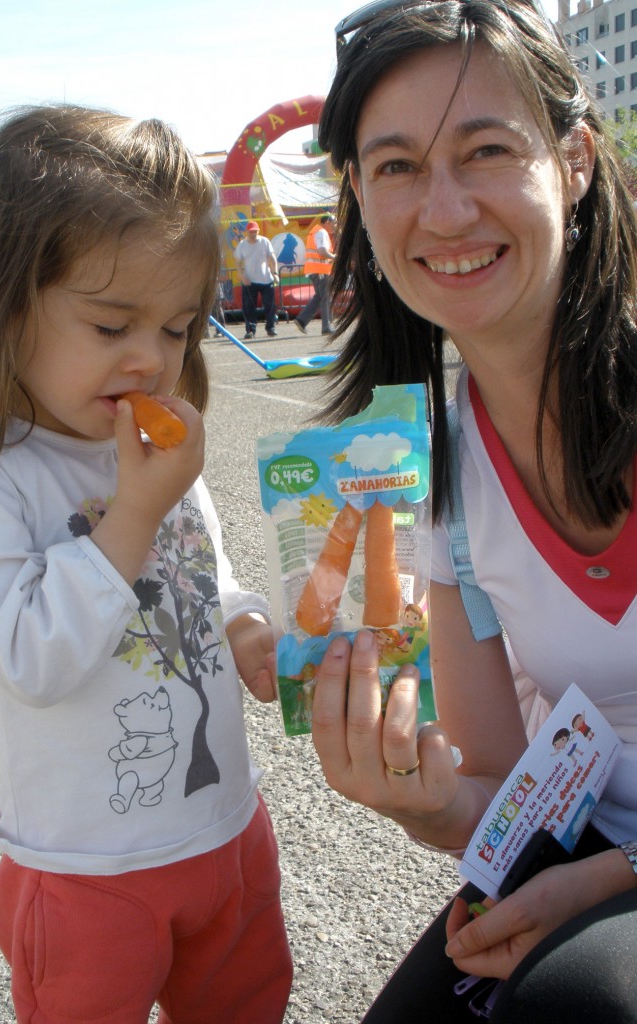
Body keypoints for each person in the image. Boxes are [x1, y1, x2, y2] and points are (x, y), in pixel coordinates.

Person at [0, 105, 292, 1024]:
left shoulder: (151, 446)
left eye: (177, 327)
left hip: (225, 830)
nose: (151, 360)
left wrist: (245, 628)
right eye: (113, 323)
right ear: (3, 304)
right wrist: (134, 509)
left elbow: (203, 577)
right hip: (85, 869)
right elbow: (31, 657)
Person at [307, 2, 637, 1021]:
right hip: (577, 844)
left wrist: (617, 875)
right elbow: (498, 781)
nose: (442, 212)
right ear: (358, 197)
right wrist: (421, 795)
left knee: (574, 1004)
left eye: (484, 150)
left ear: (573, 160)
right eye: (397, 167)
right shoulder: (437, 469)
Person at [234, 220, 279, 339]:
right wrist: (242, 276)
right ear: (246, 232)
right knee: (248, 307)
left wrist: (275, 273)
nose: (253, 234)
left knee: (269, 305)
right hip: (249, 280)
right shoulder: (242, 244)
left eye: (255, 231)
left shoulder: (265, 241)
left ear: (258, 231)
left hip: (266, 279)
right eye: (251, 232)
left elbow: (272, 257)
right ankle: (250, 330)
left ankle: (270, 328)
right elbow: (237, 261)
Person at [294, 213, 336, 334]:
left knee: (320, 297)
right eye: (334, 223)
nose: (335, 226)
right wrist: (334, 257)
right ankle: (326, 327)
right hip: (320, 271)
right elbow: (322, 251)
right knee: (325, 298)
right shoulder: (322, 232)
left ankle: (302, 320)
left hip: (315, 270)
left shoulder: (316, 231)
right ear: (327, 222)